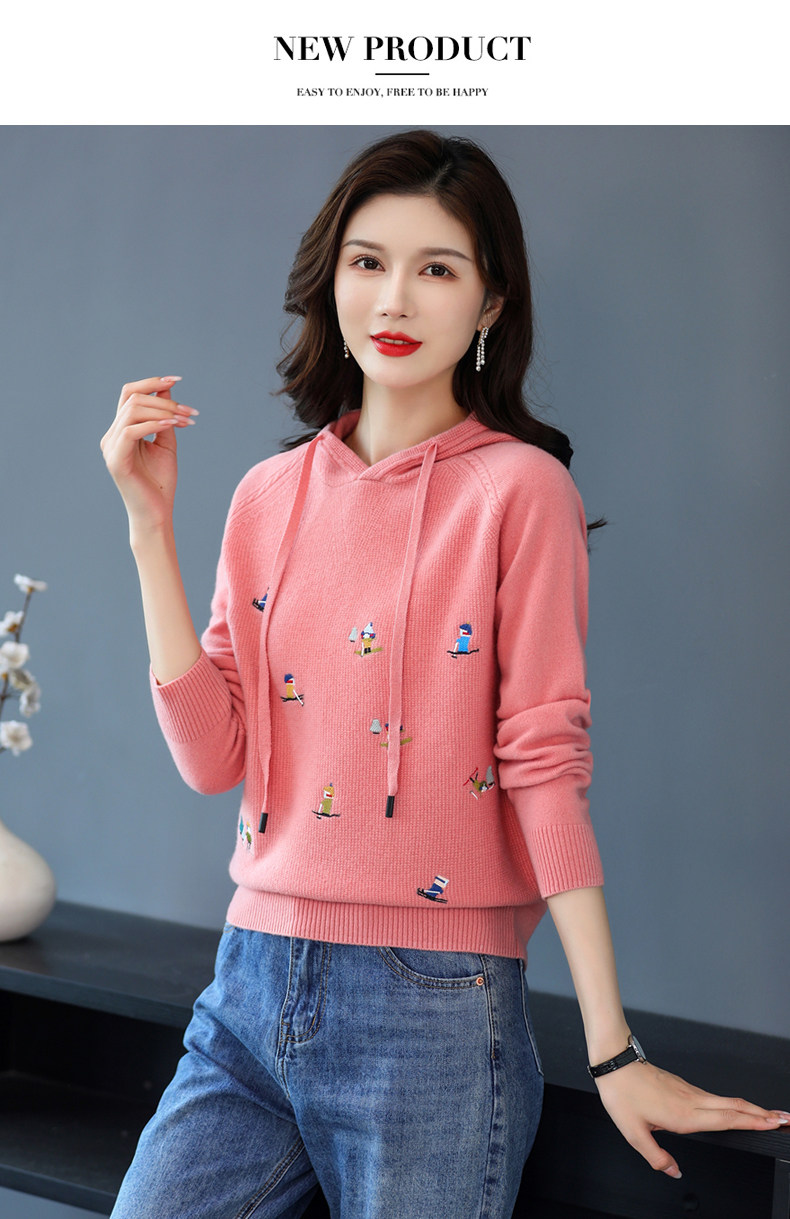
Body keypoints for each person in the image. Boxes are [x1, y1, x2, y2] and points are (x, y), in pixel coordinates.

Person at [101, 129, 788, 1219]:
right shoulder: (267, 496)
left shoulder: (521, 493)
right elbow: (212, 757)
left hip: (432, 1008)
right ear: (332, 280)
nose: (396, 298)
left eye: (437, 268)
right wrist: (149, 530)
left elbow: (545, 766)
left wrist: (612, 1047)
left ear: (490, 303)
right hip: (249, 977)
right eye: (369, 261)